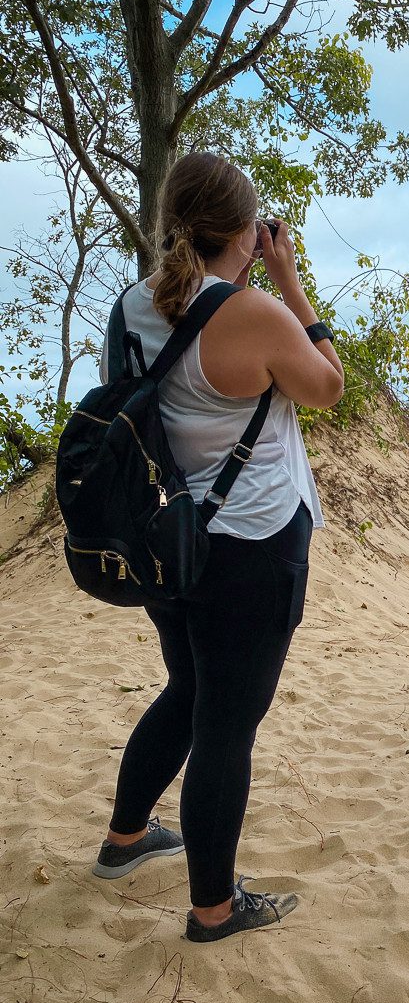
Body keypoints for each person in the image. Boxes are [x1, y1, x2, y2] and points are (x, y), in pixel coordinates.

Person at [89, 151, 344, 942]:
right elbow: (328, 386)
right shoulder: (254, 314)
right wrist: (290, 279)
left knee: (189, 691)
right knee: (226, 723)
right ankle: (213, 909)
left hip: (164, 537)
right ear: (245, 228)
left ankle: (126, 841)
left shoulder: (131, 306)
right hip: (251, 543)